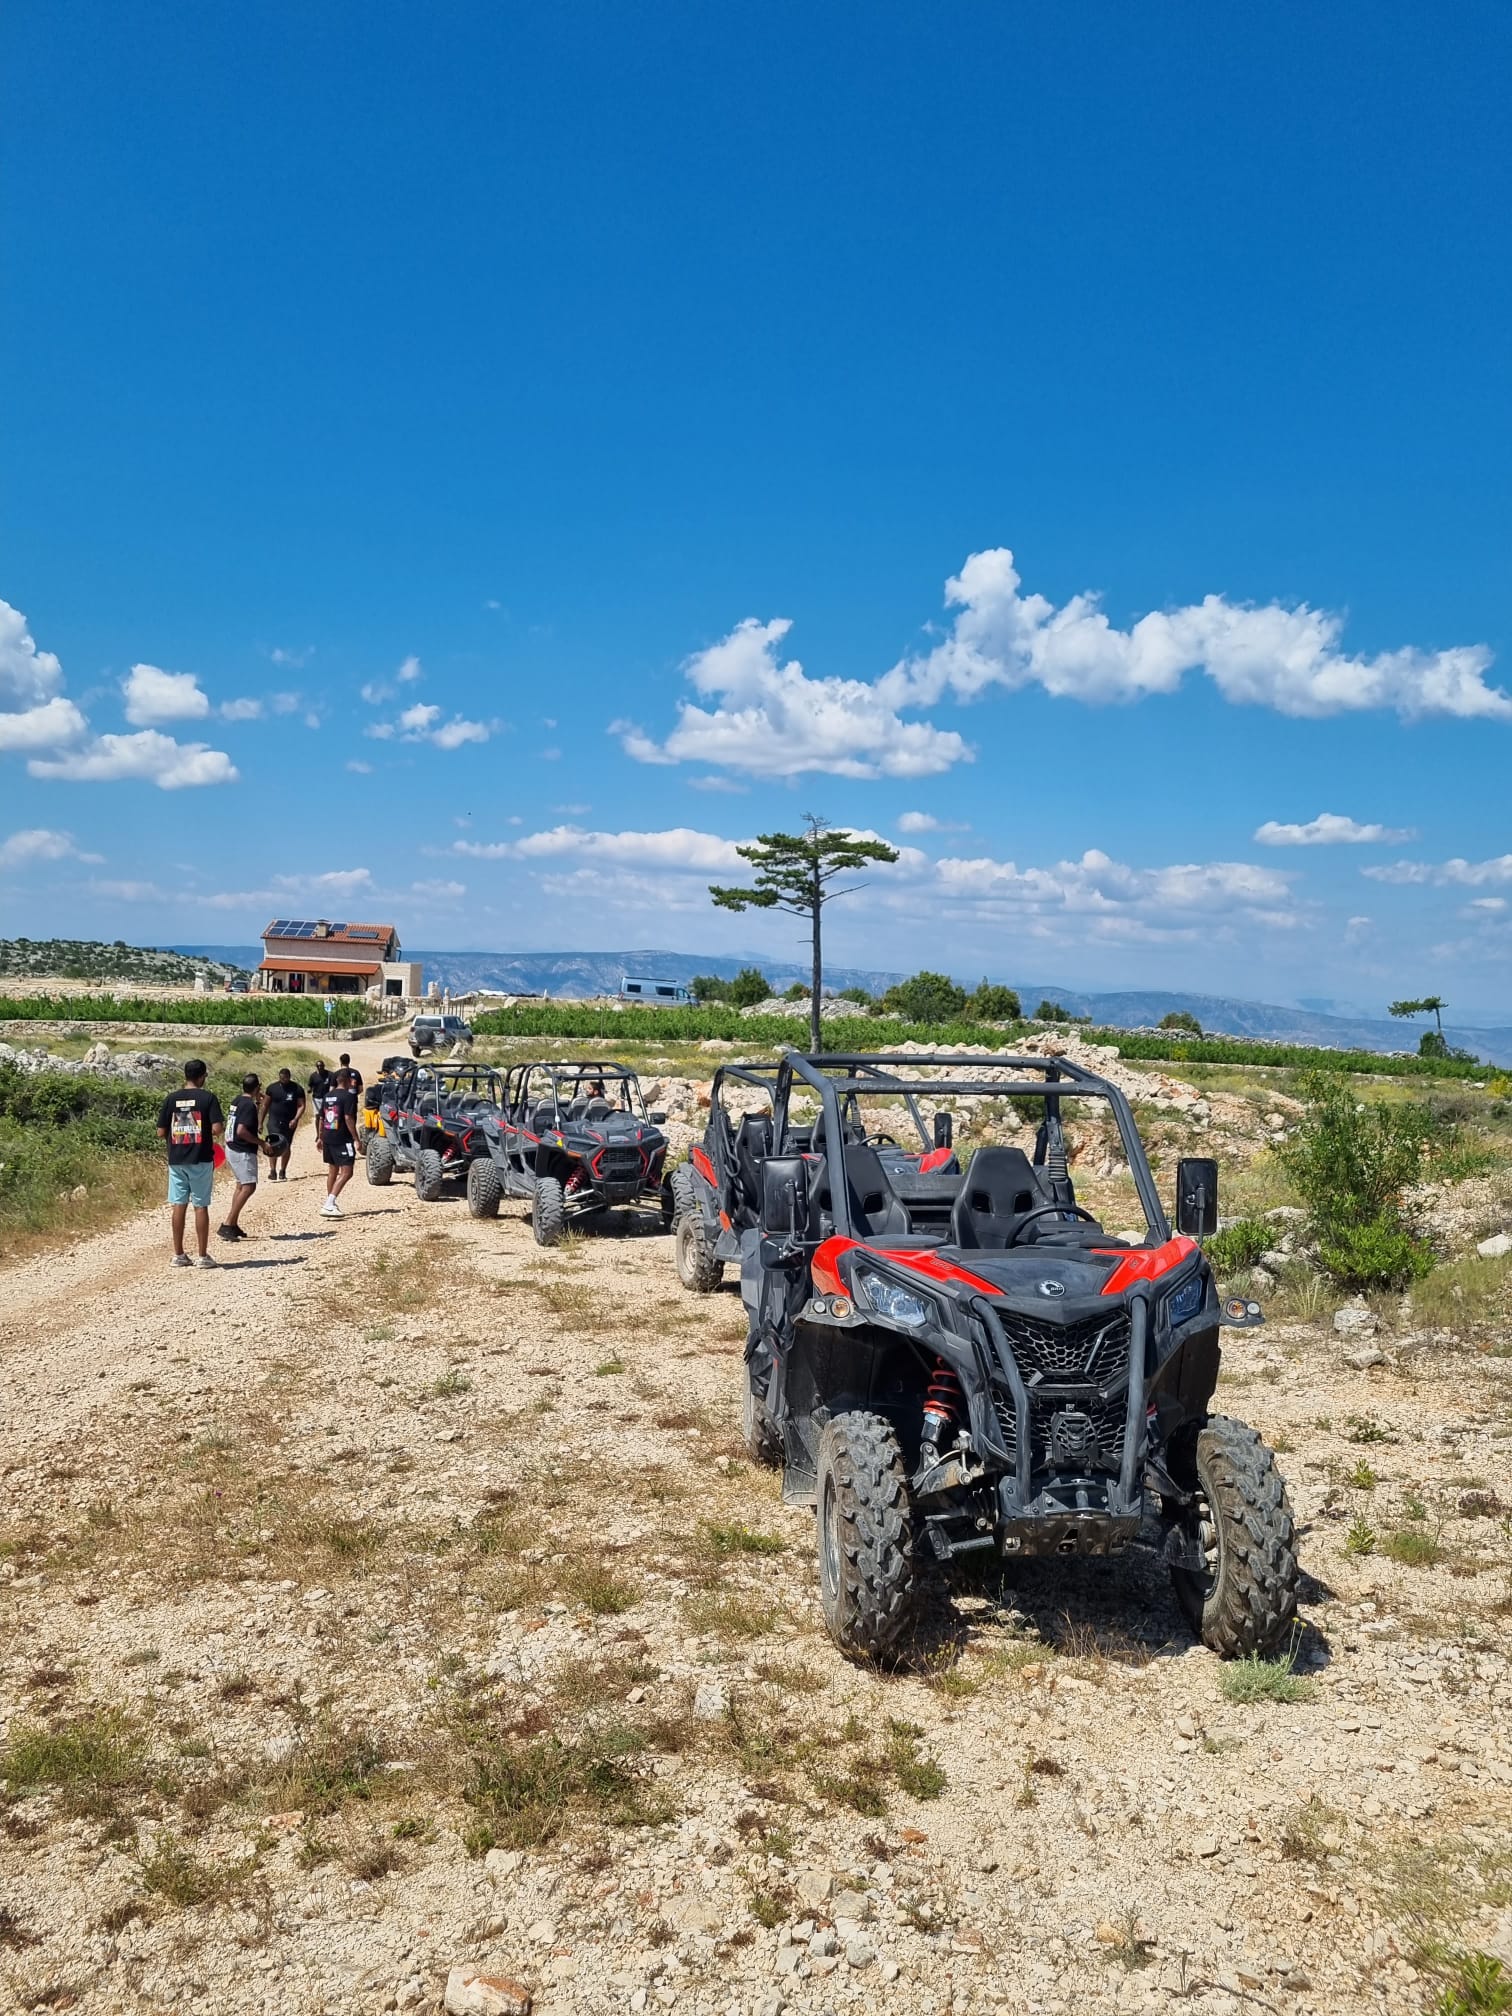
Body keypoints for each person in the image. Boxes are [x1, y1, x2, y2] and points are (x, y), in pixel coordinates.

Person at [157, 1059, 224, 1269]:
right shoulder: (208, 1098)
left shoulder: (171, 1099)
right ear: (202, 1076)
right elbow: (217, 1129)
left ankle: (179, 1254)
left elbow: (160, 1132)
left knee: (179, 1204)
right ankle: (203, 1256)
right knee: (200, 1205)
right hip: (200, 1158)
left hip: (176, 1159)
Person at [218, 1073, 266, 1242]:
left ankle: (233, 1223)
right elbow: (242, 1130)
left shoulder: (237, 1101)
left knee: (240, 1185)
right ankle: (228, 1224)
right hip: (242, 1150)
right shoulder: (248, 1105)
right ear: (257, 1087)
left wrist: (259, 1103)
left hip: (231, 1147)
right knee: (249, 1186)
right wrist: (261, 1143)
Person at [320, 1067, 359, 1217]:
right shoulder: (348, 1097)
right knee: (347, 1172)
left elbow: (322, 1118)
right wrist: (356, 1138)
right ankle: (329, 1204)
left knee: (333, 1170)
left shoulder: (327, 1096)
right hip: (342, 1137)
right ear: (349, 1080)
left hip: (328, 1136)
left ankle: (330, 1201)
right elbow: (348, 1118)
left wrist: (320, 1136)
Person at [264, 1066, 305, 1181]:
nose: (284, 1080)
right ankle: (272, 1171)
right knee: (273, 1144)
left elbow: (301, 1105)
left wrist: (296, 1119)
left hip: (289, 1122)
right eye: (282, 1078)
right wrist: (260, 1122)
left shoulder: (297, 1089)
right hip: (274, 1121)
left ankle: (283, 1170)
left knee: (286, 1145)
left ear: (289, 1077)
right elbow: (265, 1105)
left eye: (286, 1078)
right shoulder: (272, 1088)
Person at [308, 1057, 333, 1152]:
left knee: (328, 1117)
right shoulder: (313, 1076)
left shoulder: (329, 1075)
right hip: (317, 1098)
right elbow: (310, 1085)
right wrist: (310, 1090)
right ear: (316, 1067)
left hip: (327, 1098)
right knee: (318, 1116)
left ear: (324, 1066)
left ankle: (328, 1134)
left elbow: (333, 1084)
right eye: (318, 1066)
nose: (320, 1067)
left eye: (321, 1066)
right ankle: (318, 1134)